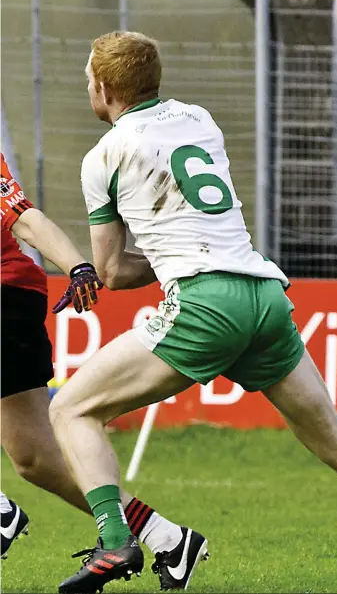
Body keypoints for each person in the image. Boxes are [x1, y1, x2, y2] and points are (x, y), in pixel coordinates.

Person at [49, 31, 337, 594]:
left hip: (205, 304)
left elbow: (111, 272)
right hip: (263, 293)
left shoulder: (103, 156)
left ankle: (114, 541)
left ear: (103, 87)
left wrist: (168, 257)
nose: (88, 87)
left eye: (88, 79)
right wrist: (186, 250)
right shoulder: (201, 120)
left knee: (72, 410)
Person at [0, 153, 208, 588]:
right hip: (14, 302)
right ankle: (166, 537)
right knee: (36, 459)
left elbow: (24, 219)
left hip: (6, 294)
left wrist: (76, 266)